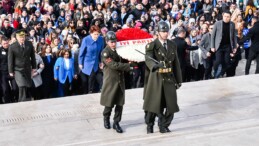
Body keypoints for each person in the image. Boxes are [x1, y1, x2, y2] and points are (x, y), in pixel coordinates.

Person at [143, 21, 182, 134]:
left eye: (166, 31)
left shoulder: (172, 45)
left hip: (169, 78)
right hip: (157, 78)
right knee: (154, 105)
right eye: (163, 31)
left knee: (171, 105)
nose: (165, 33)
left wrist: (178, 80)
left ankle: (163, 125)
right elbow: (148, 59)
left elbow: (176, 64)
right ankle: (150, 124)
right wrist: (155, 65)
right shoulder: (152, 45)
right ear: (158, 32)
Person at [100, 31, 133, 133]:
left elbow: (123, 60)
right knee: (109, 103)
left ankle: (116, 122)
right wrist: (128, 66)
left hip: (120, 80)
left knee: (120, 103)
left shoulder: (119, 51)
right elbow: (113, 65)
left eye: (114, 41)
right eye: (111, 42)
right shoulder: (105, 52)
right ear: (107, 42)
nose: (113, 43)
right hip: (111, 80)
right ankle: (106, 118)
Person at [8, 29, 37, 102]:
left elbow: (32, 56)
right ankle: (22, 101)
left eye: (23, 37)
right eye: (20, 37)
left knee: (28, 85)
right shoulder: (12, 46)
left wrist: (34, 67)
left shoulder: (29, 44)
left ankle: (24, 99)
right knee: (21, 85)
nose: (22, 38)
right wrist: (11, 71)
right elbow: (10, 60)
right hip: (17, 69)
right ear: (17, 37)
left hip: (27, 68)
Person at [211, 11, 237, 78]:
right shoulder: (217, 23)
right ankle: (214, 71)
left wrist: (235, 47)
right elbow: (213, 36)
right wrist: (212, 46)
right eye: (225, 16)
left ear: (230, 17)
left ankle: (221, 73)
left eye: (228, 17)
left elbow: (234, 36)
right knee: (218, 61)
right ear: (223, 16)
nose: (226, 18)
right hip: (219, 46)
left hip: (227, 46)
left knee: (227, 62)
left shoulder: (232, 24)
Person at [79, 25, 104, 94]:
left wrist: (101, 62)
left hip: (96, 62)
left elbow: (101, 52)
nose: (96, 36)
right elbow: (82, 52)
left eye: (98, 34)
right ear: (91, 33)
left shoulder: (101, 39)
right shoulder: (86, 40)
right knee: (91, 76)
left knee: (99, 77)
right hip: (87, 62)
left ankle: (100, 90)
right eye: (95, 34)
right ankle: (90, 91)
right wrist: (80, 63)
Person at [0, 36, 18, 103]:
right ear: (1, 43)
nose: (6, 45)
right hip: (3, 73)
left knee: (15, 88)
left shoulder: (12, 49)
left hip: (12, 72)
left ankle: (14, 99)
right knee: (5, 90)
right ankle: (7, 102)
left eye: (7, 43)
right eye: (4, 43)